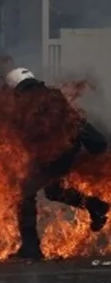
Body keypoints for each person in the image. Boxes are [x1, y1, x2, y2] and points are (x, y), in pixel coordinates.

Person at [6, 67, 110, 260]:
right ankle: (95, 206)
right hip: (69, 150)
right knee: (53, 190)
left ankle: (31, 248)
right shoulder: (51, 94)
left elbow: (26, 131)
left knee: (24, 193)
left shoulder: (24, 101)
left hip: (53, 153)